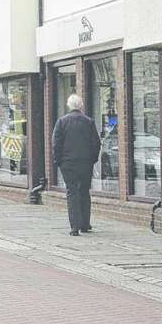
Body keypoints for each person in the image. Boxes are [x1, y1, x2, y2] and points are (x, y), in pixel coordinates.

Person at [51, 93, 101, 236]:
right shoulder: (89, 122)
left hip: (68, 163)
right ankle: (85, 224)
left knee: (72, 192)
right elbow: (96, 143)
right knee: (84, 192)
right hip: (85, 163)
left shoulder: (62, 122)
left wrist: (58, 161)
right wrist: (93, 159)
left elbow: (56, 143)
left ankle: (75, 226)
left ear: (69, 106)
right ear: (81, 106)